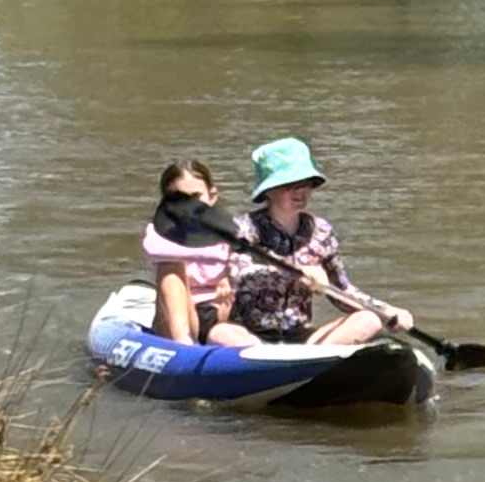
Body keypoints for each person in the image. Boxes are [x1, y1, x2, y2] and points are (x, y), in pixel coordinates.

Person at [216, 137, 408, 353]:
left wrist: (385, 310)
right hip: (250, 337)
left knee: (369, 320)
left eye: (306, 184)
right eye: (290, 185)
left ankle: (310, 363)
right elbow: (238, 274)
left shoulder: (322, 231)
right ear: (268, 191)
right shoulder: (242, 229)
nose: (300, 192)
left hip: (303, 338)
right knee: (220, 333)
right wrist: (297, 274)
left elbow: (342, 291)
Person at [143, 158, 242, 342]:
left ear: (212, 197)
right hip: (180, 315)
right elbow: (158, 250)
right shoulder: (160, 232)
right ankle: (184, 345)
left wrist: (230, 274)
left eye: (195, 197)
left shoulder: (233, 230)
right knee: (172, 268)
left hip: (221, 312)